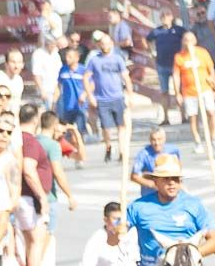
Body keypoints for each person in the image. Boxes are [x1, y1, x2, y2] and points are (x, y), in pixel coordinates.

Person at [84, 34, 132, 164]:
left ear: (111, 44)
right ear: (99, 45)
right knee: (106, 127)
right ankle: (108, 146)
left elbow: (126, 77)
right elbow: (86, 78)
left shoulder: (118, 59)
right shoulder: (94, 60)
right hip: (102, 98)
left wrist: (129, 95)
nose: (105, 46)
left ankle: (122, 151)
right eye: (102, 44)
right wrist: (90, 96)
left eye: (107, 43)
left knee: (121, 126)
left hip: (117, 97)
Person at [18, 103, 52, 266]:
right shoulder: (29, 141)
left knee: (31, 240)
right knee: (36, 240)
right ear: (35, 119)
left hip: (27, 197)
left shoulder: (21, 139)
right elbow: (29, 169)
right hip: (30, 198)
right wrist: (41, 196)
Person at [172, 30, 215, 153]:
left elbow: (211, 71)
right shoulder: (179, 57)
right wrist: (177, 93)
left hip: (205, 89)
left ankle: (213, 139)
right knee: (193, 117)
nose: (189, 43)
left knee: (211, 113)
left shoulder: (202, 53)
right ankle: (198, 142)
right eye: (186, 40)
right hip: (189, 92)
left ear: (195, 41)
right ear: (183, 42)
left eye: (191, 40)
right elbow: (176, 76)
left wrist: (214, 88)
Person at [146, 10, 185, 123]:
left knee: (180, 91)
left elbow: (187, 38)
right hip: (162, 63)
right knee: (164, 92)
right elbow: (147, 40)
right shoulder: (156, 31)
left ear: (171, 17)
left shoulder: (178, 30)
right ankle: (166, 118)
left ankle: (183, 115)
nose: (164, 17)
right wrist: (151, 54)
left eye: (167, 15)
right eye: (162, 15)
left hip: (176, 64)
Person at [130, 126, 181, 193]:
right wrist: (152, 184)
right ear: (150, 140)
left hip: (169, 193)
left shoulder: (173, 150)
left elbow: (179, 167)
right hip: (150, 195)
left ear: (164, 139)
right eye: (153, 140)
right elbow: (134, 176)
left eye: (159, 139)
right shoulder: (143, 154)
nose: (157, 143)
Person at [57, 45, 87, 134]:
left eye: (70, 57)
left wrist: (84, 94)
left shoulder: (83, 70)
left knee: (80, 130)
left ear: (77, 58)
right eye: (66, 56)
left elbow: (91, 84)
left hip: (79, 105)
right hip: (66, 104)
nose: (67, 59)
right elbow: (59, 85)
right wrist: (56, 101)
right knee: (66, 130)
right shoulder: (63, 70)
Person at [0, 49, 25, 117]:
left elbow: (16, 105)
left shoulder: (19, 81)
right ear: (6, 64)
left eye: (19, 62)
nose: (16, 66)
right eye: (13, 62)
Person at [31, 35, 63, 111]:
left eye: (54, 44)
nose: (53, 46)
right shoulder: (38, 54)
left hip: (56, 90)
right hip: (45, 90)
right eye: (51, 44)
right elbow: (36, 74)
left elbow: (59, 72)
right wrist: (42, 90)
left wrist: (58, 89)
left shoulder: (56, 54)